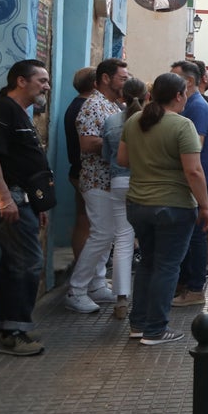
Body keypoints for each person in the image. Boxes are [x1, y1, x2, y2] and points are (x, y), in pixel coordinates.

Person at [117, 72, 208, 346]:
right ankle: (155, 329)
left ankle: (139, 323)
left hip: (138, 203)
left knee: (147, 263)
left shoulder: (135, 120)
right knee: (167, 266)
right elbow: (194, 171)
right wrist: (205, 207)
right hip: (173, 205)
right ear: (179, 95)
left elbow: (122, 159)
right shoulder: (182, 125)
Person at [0, 61, 53, 355]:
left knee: (17, 263)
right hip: (12, 199)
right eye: (42, 80)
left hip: (24, 199)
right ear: (21, 81)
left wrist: (36, 204)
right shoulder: (3, 110)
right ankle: (11, 333)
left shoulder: (20, 113)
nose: (46, 86)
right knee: (26, 263)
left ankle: (4, 327)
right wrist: (4, 197)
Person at [66, 57, 129, 314]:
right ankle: (76, 289)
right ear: (106, 78)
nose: (125, 82)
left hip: (109, 180)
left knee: (108, 233)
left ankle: (97, 283)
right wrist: (117, 144)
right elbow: (86, 143)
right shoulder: (93, 105)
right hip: (96, 180)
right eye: (122, 78)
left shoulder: (111, 105)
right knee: (102, 233)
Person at [170, 59, 208, 307]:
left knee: (198, 235)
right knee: (191, 234)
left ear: (188, 81)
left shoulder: (197, 107)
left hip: (201, 177)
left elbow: (195, 144)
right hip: (194, 176)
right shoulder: (190, 104)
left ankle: (196, 288)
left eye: (174, 76)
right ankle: (187, 284)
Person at [100, 76, 147, 320]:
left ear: (122, 96)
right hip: (144, 183)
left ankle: (121, 299)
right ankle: (148, 298)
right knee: (149, 240)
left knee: (123, 241)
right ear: (146, 96)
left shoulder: (110, 121)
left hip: (118, 182)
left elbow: (108, 156)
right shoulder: (149, 122)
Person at [65, 66, 96, 261]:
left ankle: (82, 267)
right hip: (86, 171)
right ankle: (85, 271)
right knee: (87, 222)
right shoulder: (86, 107)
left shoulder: (75, 105)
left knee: (83, 219)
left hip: (77, 170)